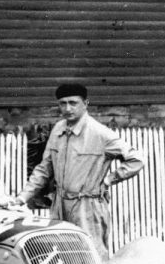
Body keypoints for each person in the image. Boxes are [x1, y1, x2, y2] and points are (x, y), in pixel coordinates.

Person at [18, 83, 145, 249]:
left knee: (91, 255)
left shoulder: (100, 133)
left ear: (85, 104)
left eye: (73, 103)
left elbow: (136, 160)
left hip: (87, 207)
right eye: (62, 103)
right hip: (59, 205)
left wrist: (108, 180)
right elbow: (44, 168)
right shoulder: (57, 130)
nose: (67, 108)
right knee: (61, 255)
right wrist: (22, 198)